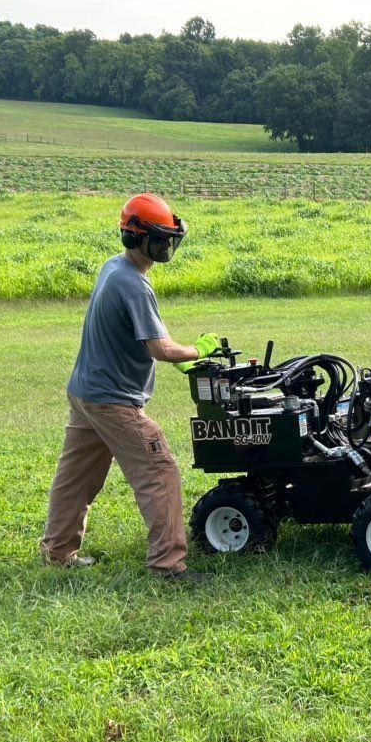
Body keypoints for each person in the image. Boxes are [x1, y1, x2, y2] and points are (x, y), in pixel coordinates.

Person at [41, 193, 219, 582]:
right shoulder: (135, 285)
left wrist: (183, 359)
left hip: (85, 393)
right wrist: (201, 349)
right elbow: (161, 349)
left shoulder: (114, 268)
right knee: (160, 472)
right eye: (159, 238)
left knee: (76, 476)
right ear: (134, 237)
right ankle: (168, 566)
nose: (166, 246)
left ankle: (57, 551)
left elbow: (133, 338)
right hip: (113, 402)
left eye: (170, 238)